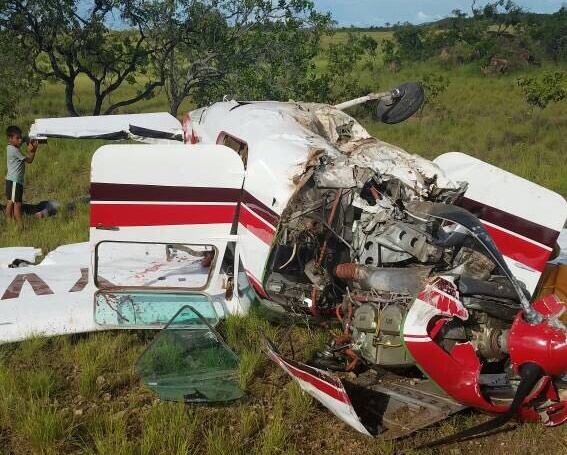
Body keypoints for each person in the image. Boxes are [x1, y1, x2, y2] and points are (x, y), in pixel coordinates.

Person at [5, 126, 38, 226]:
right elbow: (29, 160)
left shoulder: (9, 147)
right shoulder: (15, 150)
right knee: (17, 203)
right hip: (16, 181)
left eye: (20, 138)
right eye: (17, 138)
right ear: (10, 139)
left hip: (10, 179)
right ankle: (20, 225)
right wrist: (33, 151)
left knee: (10, 201)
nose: (20, 140)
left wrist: (26, 139)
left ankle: (9, 222)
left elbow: (21, 139)